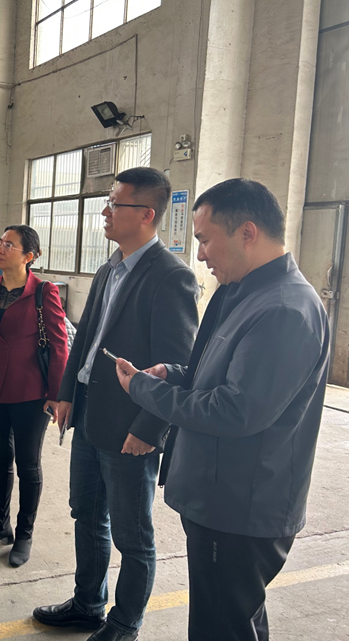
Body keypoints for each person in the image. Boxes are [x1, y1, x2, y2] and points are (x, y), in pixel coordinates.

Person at [114, 178, 329, 641]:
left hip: (240, 508)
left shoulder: (284, 310)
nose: (201, 255)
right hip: (221, 500)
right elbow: (220, 372)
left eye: (205, 240)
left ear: (247, 232)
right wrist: (173, 373)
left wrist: (144, 391)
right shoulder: (245, 293)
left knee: (221, 628)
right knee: (233, 621)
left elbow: (235, 411)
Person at [33, 168, 199, 641]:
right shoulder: (110, 267)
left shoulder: (171, 278)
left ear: (146, 214)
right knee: (86, 514)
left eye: (114, 204)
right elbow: (85, 337)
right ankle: (88, 604)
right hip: (89, 414)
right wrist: (68, 392)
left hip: (130, 427)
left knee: (132, 535)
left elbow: (179, 367)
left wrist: (150, 429)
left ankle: (125, 624)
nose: (104, 212)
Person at [0, 225, 69, 567]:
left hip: (30, 391)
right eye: (0, 242)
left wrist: (55, 394)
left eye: (9, 245)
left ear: (29, 256)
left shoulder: (43, 292)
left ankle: (24, 534)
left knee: (28, 463)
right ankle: (0, 526)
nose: (0, 248)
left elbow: (59, 345)